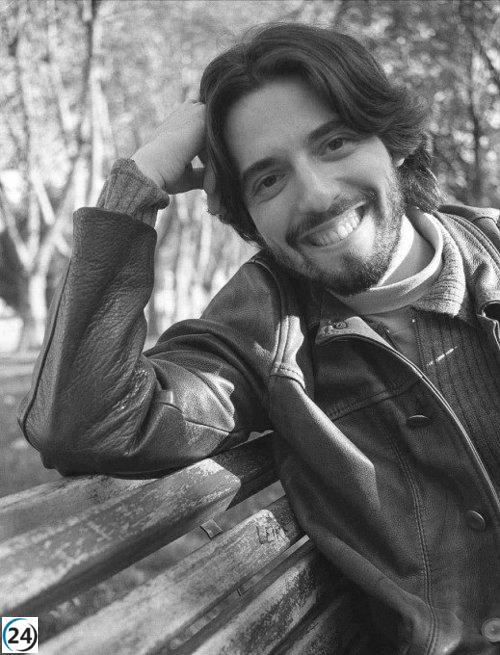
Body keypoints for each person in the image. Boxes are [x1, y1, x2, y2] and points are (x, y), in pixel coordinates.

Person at [18, 22, 500, 655]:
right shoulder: (264, 328)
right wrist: (137, 182)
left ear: (395, 143)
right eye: (269, 179)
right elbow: (85, 423)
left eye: (335, 143)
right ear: (247, 216)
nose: (317, 196)